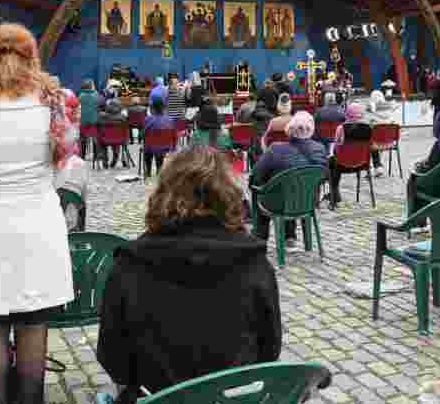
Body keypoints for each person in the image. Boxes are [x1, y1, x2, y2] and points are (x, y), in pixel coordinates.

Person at [0, 23, 79, 404]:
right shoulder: (58, 101)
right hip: (38, 224)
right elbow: (65, 164)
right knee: (33, 324)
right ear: (31, 57)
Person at [97, 146, 282, 404]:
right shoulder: (254, 262)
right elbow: (269, 350)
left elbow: (113, 359)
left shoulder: (129, 264)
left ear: (163, 194)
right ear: (227, 195)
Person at [250, 112, 328, 243]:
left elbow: (256, 174)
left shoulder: (276, 149)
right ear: (311, 129)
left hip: (280, 203)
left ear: (289, 129)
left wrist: (260, 184)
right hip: (308, 201)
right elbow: (324, 176)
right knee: (287, 188)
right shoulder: (320, 149)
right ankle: (290, 236)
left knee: (259, 191)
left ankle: (260, 236)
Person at [327, 103, 373, 209]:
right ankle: (335, 196)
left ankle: (335, 196)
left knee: (331, 165)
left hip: (342, 165)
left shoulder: (341, 128)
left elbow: (336, 147)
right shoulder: (368, 128)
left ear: (347, 113)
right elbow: (370, 146)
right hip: (362, 164)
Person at [143, 96, 176, 178]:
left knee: (148, 149)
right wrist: (173, 147)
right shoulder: (170, 120)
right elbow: (174, 134)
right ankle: (159, 169)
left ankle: (148, 170)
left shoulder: (148, 119)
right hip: (166, 146)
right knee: (158, 149)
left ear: (152, 108)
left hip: (151, 147)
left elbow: (144, 134)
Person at [98, 97, 129, 168]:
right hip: (120, 140)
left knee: (101, 143)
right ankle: (115, 159)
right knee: (116, 143)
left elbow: (98, 128)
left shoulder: (102, 116)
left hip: (105, 139)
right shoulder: (123, 118)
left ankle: (105, 161)